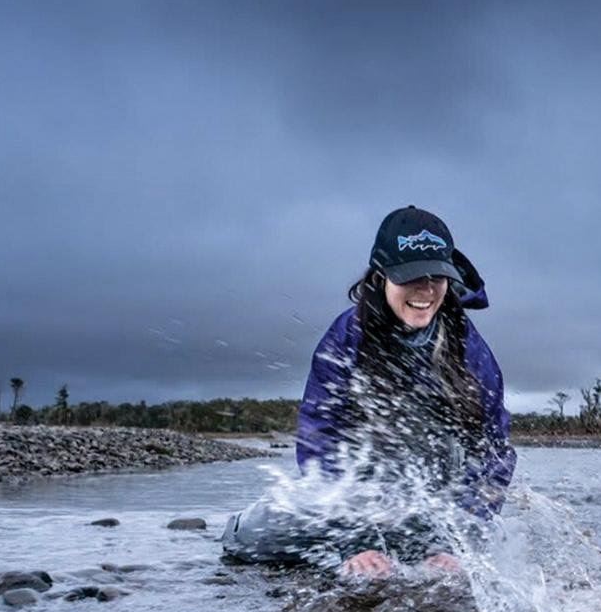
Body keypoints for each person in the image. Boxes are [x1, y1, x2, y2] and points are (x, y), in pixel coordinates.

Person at [221, 206, 515, 576]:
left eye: (436, 277)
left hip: (436, 506)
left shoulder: (470, 347)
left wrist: (455, 540)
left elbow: (494, 450)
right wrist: (355, 541)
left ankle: (425, 544)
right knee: (250, 538)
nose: (425, 290)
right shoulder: (346, 336)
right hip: (360, 500)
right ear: (381, 275)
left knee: (468, 544)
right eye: (411, 277)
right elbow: (320, 438)